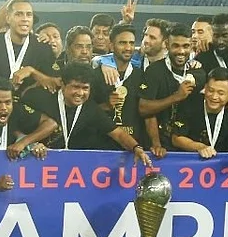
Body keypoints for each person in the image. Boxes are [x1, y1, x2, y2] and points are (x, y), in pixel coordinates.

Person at [23, 63, 151, 163]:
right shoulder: (39, 99)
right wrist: (32, 144)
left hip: (70, 167)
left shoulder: (90, 108)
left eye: (85, 88)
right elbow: (17, 125)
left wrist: (136, 148)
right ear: (62, 84)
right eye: (75, 87)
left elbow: (118, 134)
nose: (80, 93)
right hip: (37, 163)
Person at [0, 0, 60, 105]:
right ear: (8, 18)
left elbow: (56, 83)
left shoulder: (43, 48)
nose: (25, 19)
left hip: (29, 108)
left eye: (29, 14)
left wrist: (32, 72)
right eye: (19, 14)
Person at [138, 24, 207, 157]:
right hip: (160, 146)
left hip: (189, 145)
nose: (181, 51)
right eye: (176, 46)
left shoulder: (198, 72)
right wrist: (176, 97)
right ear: (167, 45)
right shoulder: (154, 71)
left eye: (185, 46)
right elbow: (144, 109)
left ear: (191, 46)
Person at [171, 68, 228, 158]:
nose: (214, 97)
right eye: (211, 90)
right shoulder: (191, 104)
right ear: (205, 88)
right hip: (192, 162)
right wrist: (200, 147)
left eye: (221, 93)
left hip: (222, 164)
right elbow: (176, 139)